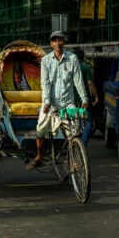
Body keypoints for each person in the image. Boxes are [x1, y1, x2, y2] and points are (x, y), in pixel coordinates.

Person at [27, 31, 88, 169]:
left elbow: (78, 80)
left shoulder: (72, 58)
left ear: (64, 42)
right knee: (41, 128)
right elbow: (45, 83)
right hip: (51, 102)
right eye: (54, 41)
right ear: (51, 44)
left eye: (60, 40)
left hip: (68, 102)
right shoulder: (46, 60)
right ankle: (39, 155)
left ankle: (71, 157)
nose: (57, 43)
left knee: (74, 131)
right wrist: (47, 101)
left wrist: (84, 98)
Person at [74, 48, 99, 145]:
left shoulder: (69, 68)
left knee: (73, 123)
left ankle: (73, 144)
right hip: (84, 101)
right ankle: (82, 144)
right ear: (83, 57)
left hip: (71, 101)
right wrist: (96, 96)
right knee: (88, 123)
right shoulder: (85, 68)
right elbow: (90, 84)